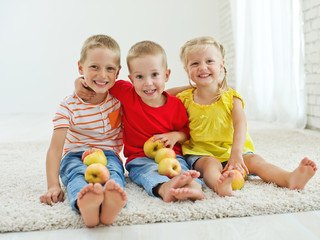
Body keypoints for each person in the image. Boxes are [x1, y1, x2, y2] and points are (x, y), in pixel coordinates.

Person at [171, 36, 317, 197]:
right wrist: (196, 84)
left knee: (256, 161)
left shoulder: (231, 97)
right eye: (195, 64)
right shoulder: (184, 98)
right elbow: (163, 93)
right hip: (201, 153)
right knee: (210, 165)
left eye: (209, 61)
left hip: (235, 151)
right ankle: (220, 185)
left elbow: (240, 124)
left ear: (221, 65)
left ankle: (289, 178)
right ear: (186, 69)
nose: (202, 67)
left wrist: (236, 153)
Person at [76, 40, 204, 202]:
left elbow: (185, 133)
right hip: (139, 157)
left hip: (172, 155)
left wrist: (174, 136)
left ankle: (195, 188)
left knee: (183, 170)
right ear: (131, 78)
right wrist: (79, 81)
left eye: (155, 75)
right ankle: (165, 189)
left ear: (166, 75)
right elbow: (102, 81)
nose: (148, 83)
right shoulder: (127, 93)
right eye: (139, 77)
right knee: (147, 172)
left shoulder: (175, 105)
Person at [40, 35, 127, 227]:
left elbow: (154, 95)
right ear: (81, 68)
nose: (102, 75)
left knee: (113, 173)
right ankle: (85, 204)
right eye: (94, 67)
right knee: (77, 174)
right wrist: (53, 185)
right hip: (75, 155)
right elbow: (55, 149)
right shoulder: (68, 106)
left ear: (118, 72)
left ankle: (110, 204)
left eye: (109, 68)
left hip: (108, 155)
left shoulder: (119, 98)